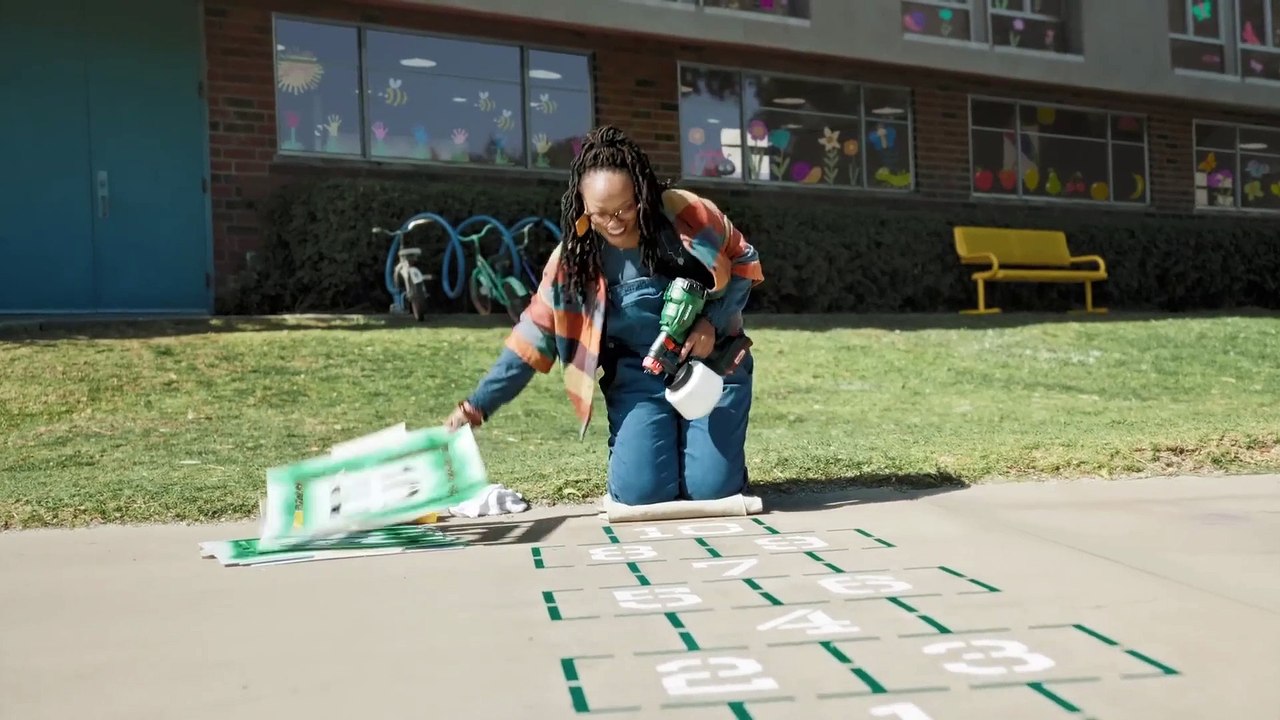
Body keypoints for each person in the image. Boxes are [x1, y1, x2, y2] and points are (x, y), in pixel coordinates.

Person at [443, 125, 764, 506]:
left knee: (711, 490)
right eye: (600, 214)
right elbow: (530, 339)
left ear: (643, 193)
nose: (614, 223)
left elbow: (745, 260)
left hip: (713, 365)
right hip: (641, 377)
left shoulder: (686, 214)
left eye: (626, 208)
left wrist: (712, 320)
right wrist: (476, 406)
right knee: (640, 493)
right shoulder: (573, 263)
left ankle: (717, 466)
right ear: (581, 209)